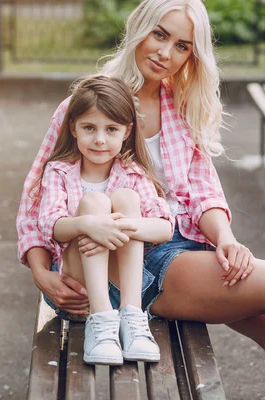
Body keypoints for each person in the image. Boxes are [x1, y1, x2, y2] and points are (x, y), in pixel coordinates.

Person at [16, 0, 265, 398]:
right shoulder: (87, 105)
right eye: (159, 34)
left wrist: (224, 238)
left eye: (182, 45)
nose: (165, 53)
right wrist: (41, 273)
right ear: (139, 28)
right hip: (119, 260)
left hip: (179, 248)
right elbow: (36, 197)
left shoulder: (179, 106)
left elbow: (204, 193)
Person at [33, 74, 174, 365]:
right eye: (89, 128)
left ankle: (132, 320)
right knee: (94, 203)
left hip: (125, 289)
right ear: (73, 127)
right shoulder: (59, 171)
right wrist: (89, 223)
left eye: (111, 129)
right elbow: (51, 226)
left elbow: (164, 227)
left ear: (126, 132)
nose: (99, 139)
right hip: (79, 293)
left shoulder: (133, 173)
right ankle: (100, 323)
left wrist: (119, 226)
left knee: (127, 200)